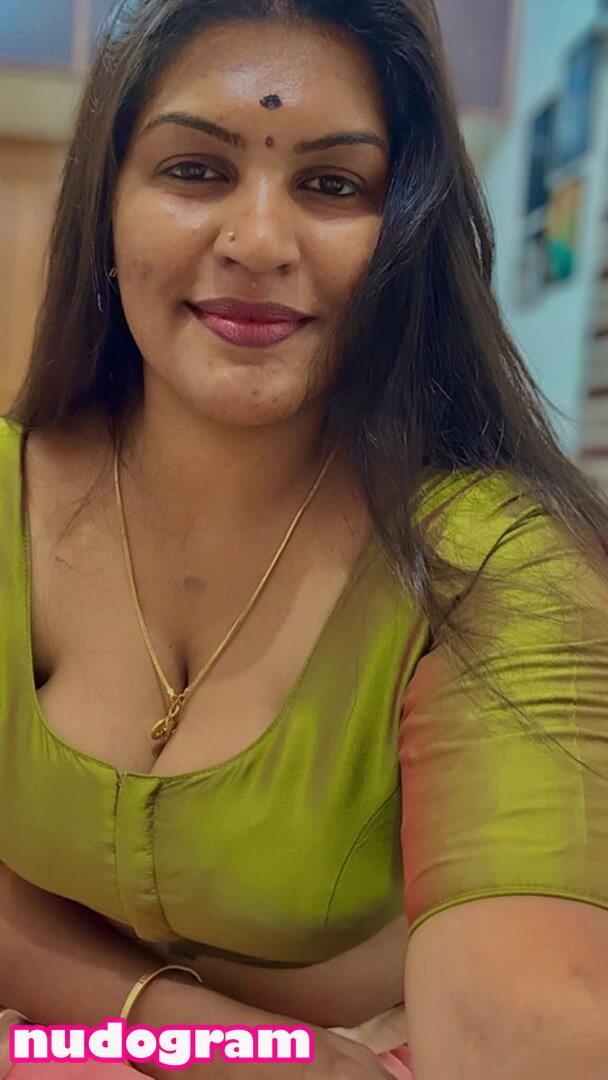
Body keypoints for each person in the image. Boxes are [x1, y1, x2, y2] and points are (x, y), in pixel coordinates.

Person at [1, 0, 608, 1076]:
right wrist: (221, 1042)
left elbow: (522, 1023)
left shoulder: (498, 565)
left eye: (332, 185)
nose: (257, 243)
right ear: (105, 213)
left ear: (406, 237)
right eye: (195, 170)